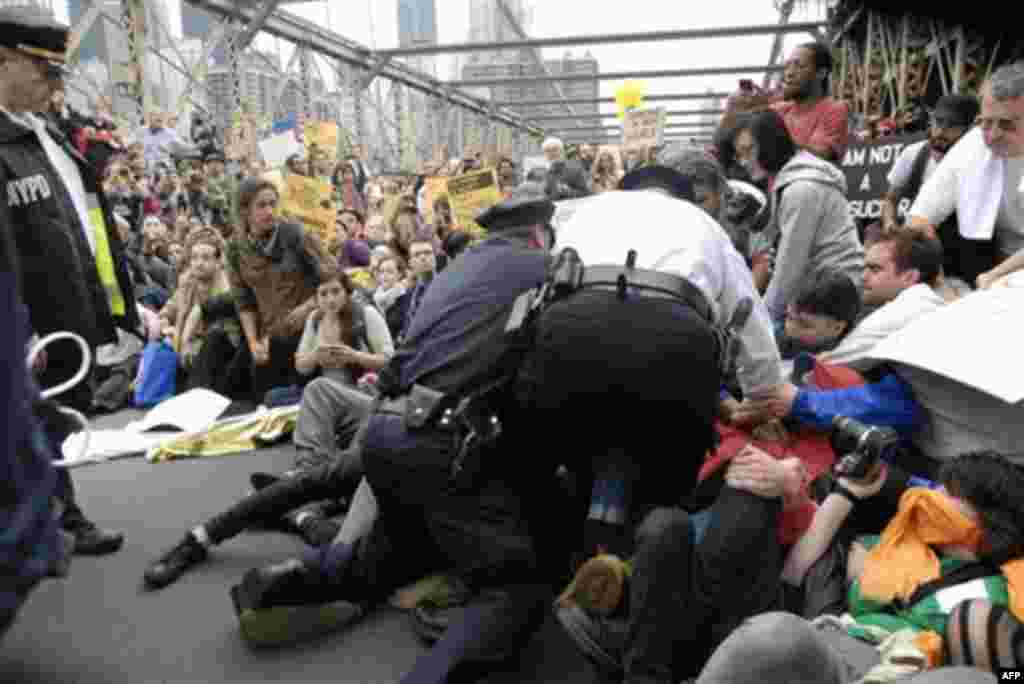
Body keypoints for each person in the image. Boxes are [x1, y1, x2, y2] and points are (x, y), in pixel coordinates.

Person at [225, 184, 564, 678]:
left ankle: (271, 585)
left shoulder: (455, 272)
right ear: (540, 232)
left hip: (386, 435)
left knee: (388, 554)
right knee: (516, 583)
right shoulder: (544, 270)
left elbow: (397, 367)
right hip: (443, 442)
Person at [694, 450, 1024, 684]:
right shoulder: (888, 547)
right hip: (824, 645)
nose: (930, 497)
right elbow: (795, 576)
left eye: (948, 493)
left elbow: (1009, 675)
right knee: (772, 632)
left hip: (905, 670)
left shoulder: (998, 599)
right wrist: (846, 493)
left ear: (987, 519)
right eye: (937, 487)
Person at [0, 7, 135, 554]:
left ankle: (55, 516)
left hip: (68, 310)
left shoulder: (46, 138)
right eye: (44, 71)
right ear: (4, 61)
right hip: (29, 322)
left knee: (51, 415)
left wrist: (112, 308)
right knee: (31, 422)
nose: (54, 85)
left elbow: (85, 228)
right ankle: (56, 520)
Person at [733, 110, 864, 326]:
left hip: (833, 299)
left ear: (771, 143)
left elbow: (789, 267)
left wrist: (761, 320)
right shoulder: (787, 180)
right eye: (739, 154)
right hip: (823, 290)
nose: (744, 161)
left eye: (749, 150)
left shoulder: (801, 189)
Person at [908, 62, 1024, 289]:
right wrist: (938, 280)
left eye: (1007, 124)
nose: (993, 135)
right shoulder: (973, 144)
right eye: (985, 122)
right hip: (992, 266)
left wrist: (995, 276)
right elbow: (921, 216)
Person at [223, 177, 331, 402]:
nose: (270, 211)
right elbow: (243, 301)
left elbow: (334, 277)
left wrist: (308, 307)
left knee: (286, 397)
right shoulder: (235, 249)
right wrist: (253, 342)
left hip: (310, 327)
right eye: (261, 206)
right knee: (252, 394)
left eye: (273, 204)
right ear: (244, 211)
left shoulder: (294, 233)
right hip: (271, 333)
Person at [818, 228, 946, 370]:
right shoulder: (925, 303)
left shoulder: (907, 308)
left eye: (874, 269)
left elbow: (827, 367)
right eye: (864, 268)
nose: (863, 276)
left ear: (909, 277)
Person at [771, 42, 850, 163]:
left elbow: (821, 156)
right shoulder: (778, 111)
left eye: (799, 66)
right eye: (787, 66)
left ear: (821, 73)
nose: (789, 73)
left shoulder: (834, 109)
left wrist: (771, 138)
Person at [779, 270, 861, 360]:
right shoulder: (776, 339)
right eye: (789, 317)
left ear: (837, 328)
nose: (791, 328)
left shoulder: (846, 360)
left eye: (804, 325)